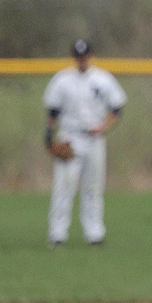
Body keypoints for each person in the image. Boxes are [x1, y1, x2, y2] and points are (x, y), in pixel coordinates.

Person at [43, 39, 127, 248]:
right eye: (79, 57)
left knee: (94, 187)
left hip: (94, 138)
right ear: (74, 58)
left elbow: (117, 109)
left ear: (92, 56)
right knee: (65, 185)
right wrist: (49, 136)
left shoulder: (103, 79)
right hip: (70, 137)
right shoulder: (62, 80)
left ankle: (95, 233)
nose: (82, 60)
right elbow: (53, 111)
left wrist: (104, 128)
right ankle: (57, 234)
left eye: (86, 56)